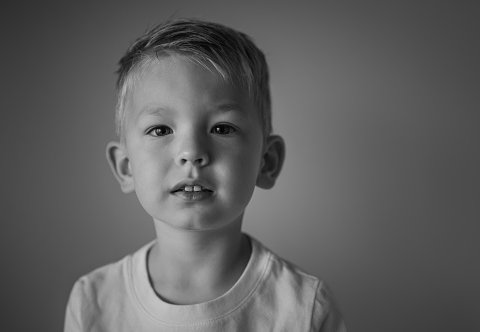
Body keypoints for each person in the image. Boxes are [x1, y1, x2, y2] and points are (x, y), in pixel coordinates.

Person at [64, 18, 346, 331]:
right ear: (126, 167)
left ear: (266, 161)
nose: (192, 152)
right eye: (160, 129)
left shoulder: (305, 308)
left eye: (222, 128)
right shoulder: (94, 302)